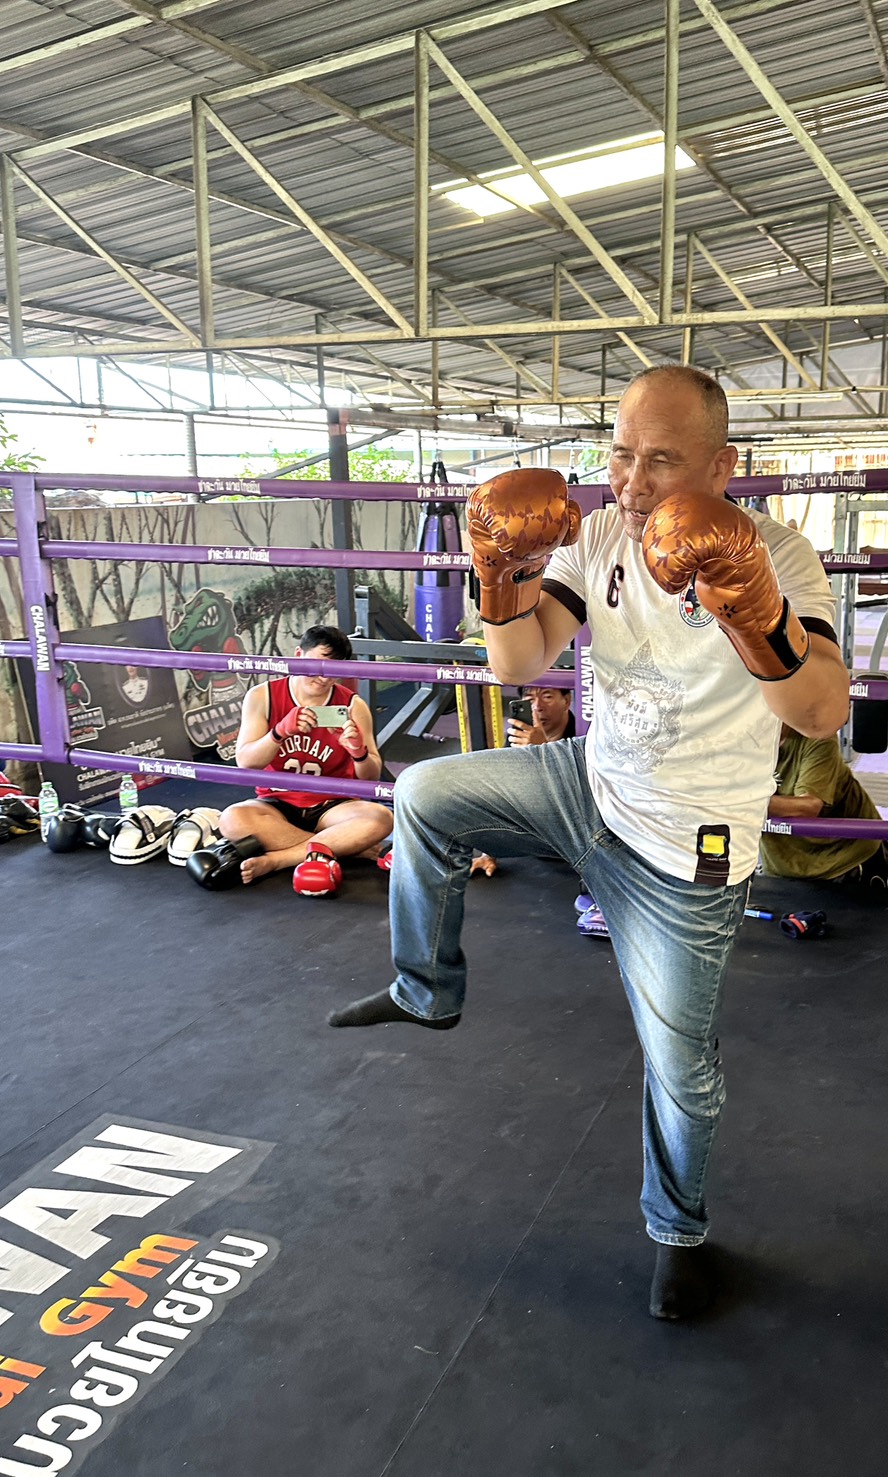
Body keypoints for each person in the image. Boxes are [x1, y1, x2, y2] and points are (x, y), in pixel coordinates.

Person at [329, 366, 848, 1320]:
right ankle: (426, 988)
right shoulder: (600, 533)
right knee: (425, 792)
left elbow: (818, 712)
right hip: (589, 784)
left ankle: (678, 1231)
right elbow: (518, 661)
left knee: (679, 1067)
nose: (633, 481)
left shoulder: (779, 554)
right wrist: (498, 570)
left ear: (723, 466)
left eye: (662, 460)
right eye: (620, 454)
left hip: (688, 845)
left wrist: (753, 606)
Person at [218, 625, 393, 886]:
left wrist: (358, 752)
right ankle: (346, 848)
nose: (324, 678)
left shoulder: (352, 705)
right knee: (232, 819)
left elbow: (370, 777)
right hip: (276, 804)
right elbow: (246, 762)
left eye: (334, 671)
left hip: (333, 807)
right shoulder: (263, 696)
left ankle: (279, 859)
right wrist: (279, 732)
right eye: (318, 665)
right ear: (299, 655)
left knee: (381, 818)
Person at [470, 685, 577, 876]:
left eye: (547, 696)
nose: (537, 706)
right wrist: (489, 851)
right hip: (534, 833)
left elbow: (580, 796)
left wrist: (543, 752)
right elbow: (501, 789)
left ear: (567, 701)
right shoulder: (519, 735)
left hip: (574, 839)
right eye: (529, 699)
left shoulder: (585, 733)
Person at [760, 725, 888, 884]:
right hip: (781, 862)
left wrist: (745, 802)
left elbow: (808, 807)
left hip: (845, 858)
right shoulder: (740, 741)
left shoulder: (817, 737)